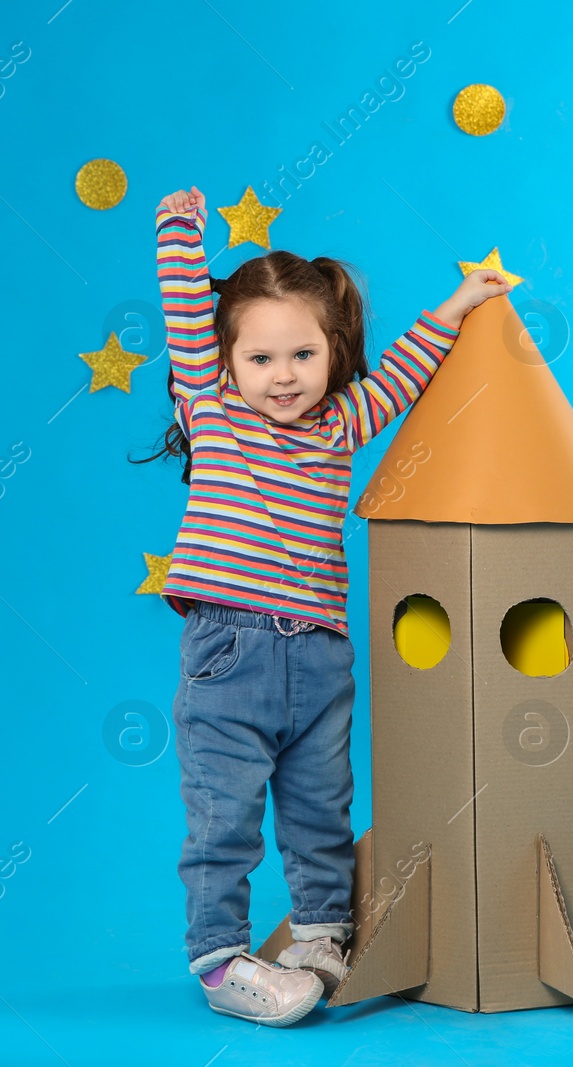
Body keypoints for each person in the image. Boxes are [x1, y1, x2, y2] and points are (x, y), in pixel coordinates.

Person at [138, 184, 509, 1026]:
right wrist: (177, 227)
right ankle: (221, 959)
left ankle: (319, 936)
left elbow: (410, 369)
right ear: (224, 363)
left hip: (321, 654)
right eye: (260, 359)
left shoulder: (340, 424)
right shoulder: (212, 406)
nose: (282, 377)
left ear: (334, 352)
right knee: (223, 813)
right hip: (229, 652)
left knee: (320, 804)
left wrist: (458, 302)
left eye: (302, 355)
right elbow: (185, 309)